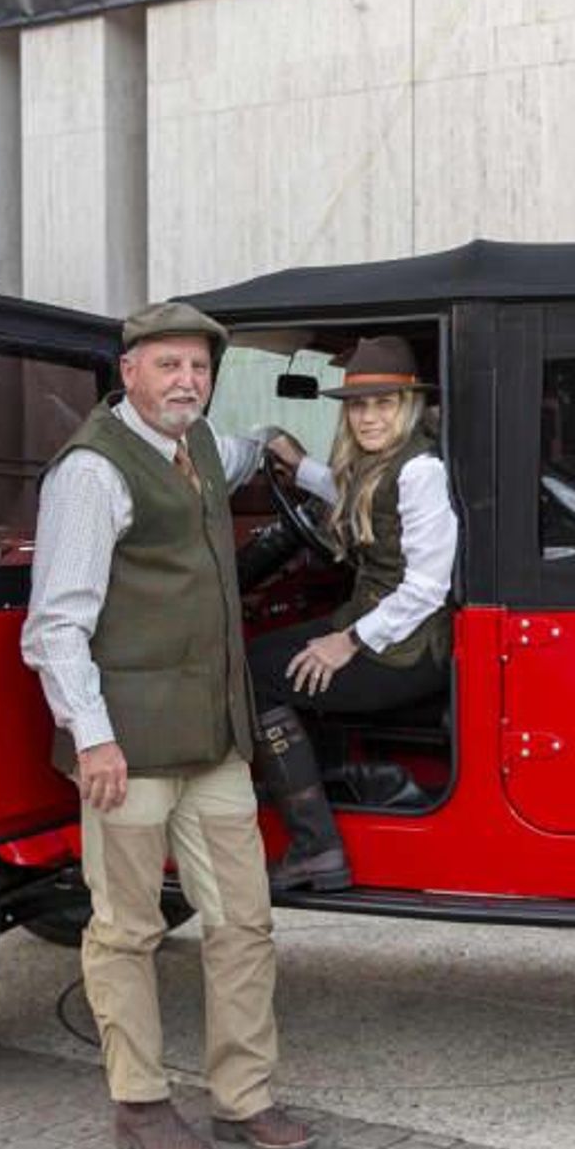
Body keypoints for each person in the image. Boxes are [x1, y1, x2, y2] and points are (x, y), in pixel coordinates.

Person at [21, 300, 313, 1149]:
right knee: (126, 930)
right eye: (169, 366)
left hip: (212, 740)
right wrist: (95, 739)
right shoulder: (92, 472)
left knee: (243, 922)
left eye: (199, 368)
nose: (187, 381)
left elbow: (242, 450)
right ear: (129, 373)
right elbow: (56, 626)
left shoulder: (200, 449)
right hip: (129, 750)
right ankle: (140, 1101)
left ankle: (244, 1096)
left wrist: (278, 444)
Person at [249, 335, 458, 892]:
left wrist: (348, 642)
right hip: (375, 624)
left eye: (384, 404)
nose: (368, 417)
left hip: (404, 648)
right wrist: (298, 464)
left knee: (253, 677)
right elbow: (353, 490)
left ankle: (315, 845)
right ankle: (342, 784)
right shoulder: (383, 463)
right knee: (261, 660)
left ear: (408, 404)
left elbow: (427, 588)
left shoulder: (422, 472)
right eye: (359, 405)